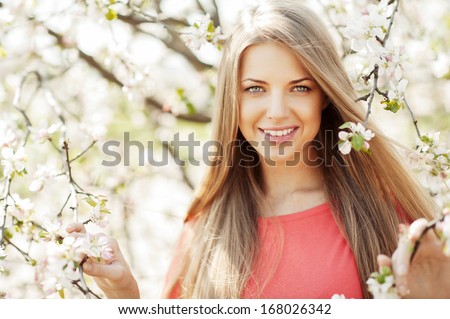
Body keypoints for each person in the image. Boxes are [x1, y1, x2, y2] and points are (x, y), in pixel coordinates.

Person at [67, 0, 450, 298]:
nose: (278, 112)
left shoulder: (387, 216)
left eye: (300, 87)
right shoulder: (206, 228)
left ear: (325, 97)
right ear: (233, 101)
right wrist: (124, 294)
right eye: (255, 89)